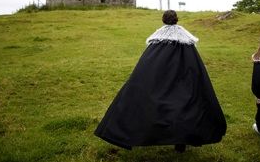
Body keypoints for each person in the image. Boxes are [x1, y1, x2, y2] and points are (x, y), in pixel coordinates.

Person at [94, 10, 227, 152]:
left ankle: (137, 135)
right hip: (185, 79)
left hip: (159, 79)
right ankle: (180, 143)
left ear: (163, 21)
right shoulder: (187, 44)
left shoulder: (156, 44)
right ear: (177, 20)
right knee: (184, 105)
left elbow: (148, 65)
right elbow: (194, 67)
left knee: (151, 102)